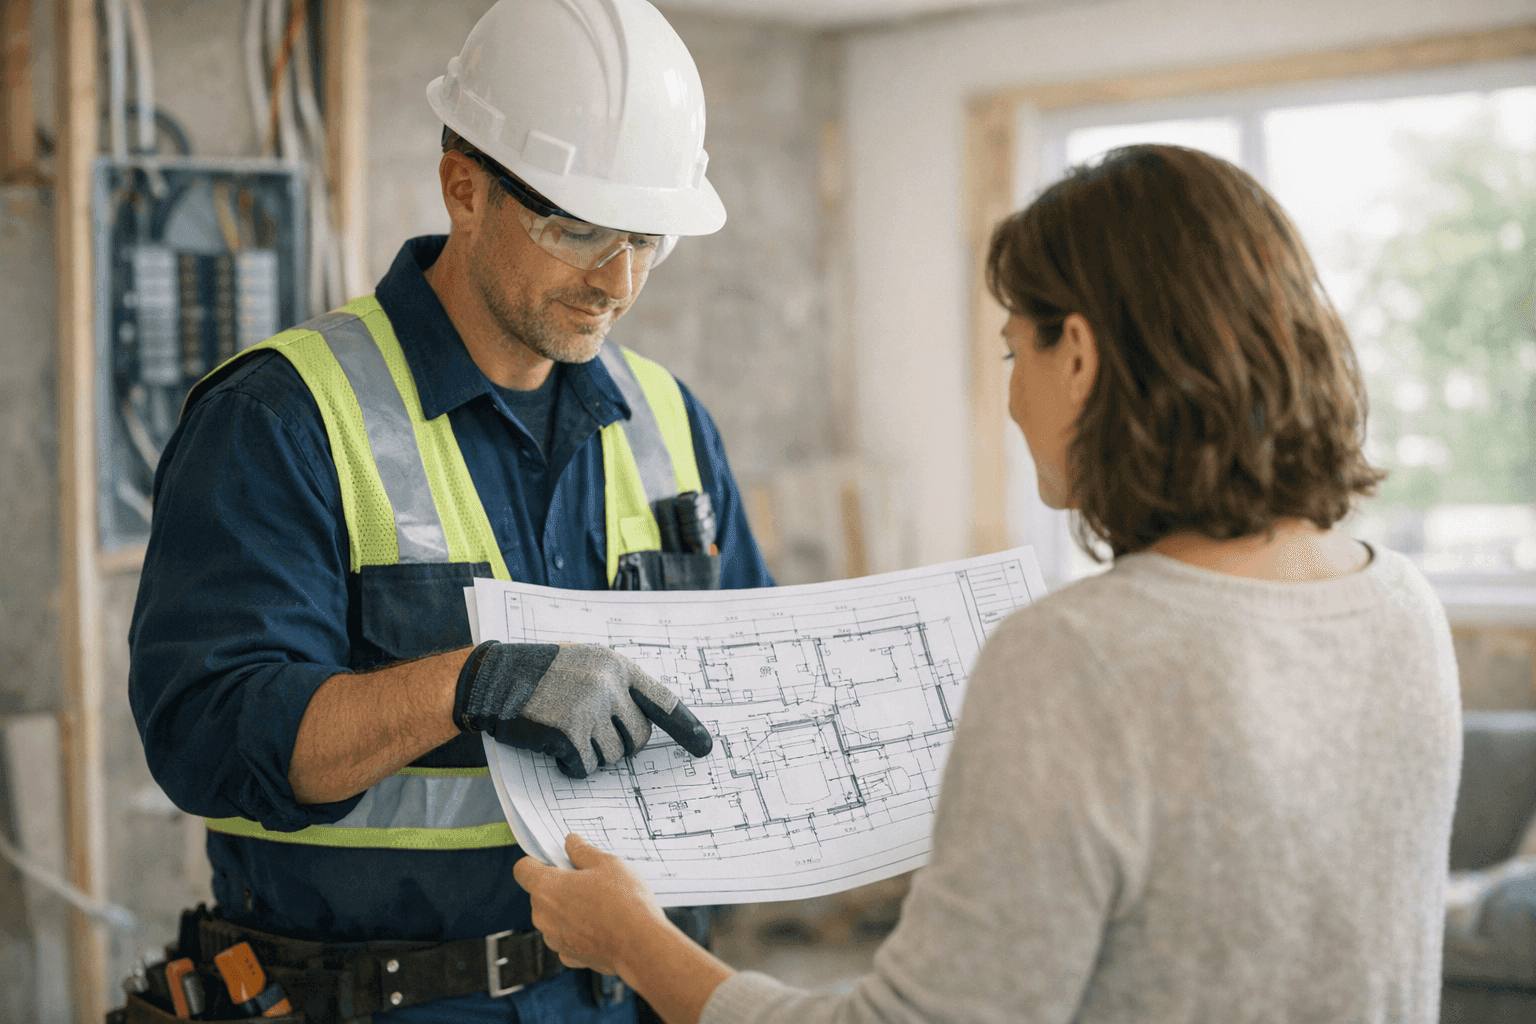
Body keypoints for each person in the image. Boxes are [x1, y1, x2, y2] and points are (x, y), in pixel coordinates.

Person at [511, 144, 1464, 1024]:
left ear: (1080, 355)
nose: (1011, 396)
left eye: (1016, 351)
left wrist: (633, 941)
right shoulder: (1402, 606)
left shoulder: (1078, 657)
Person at [127, 1, 772, 1021]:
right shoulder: (281, 419)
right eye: (580, 229)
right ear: (463, 186)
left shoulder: (668, 420)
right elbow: (209, 740)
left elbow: (746, 690)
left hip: (631, 993)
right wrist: (467, 683)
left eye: (649, 238)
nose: (619, 280)